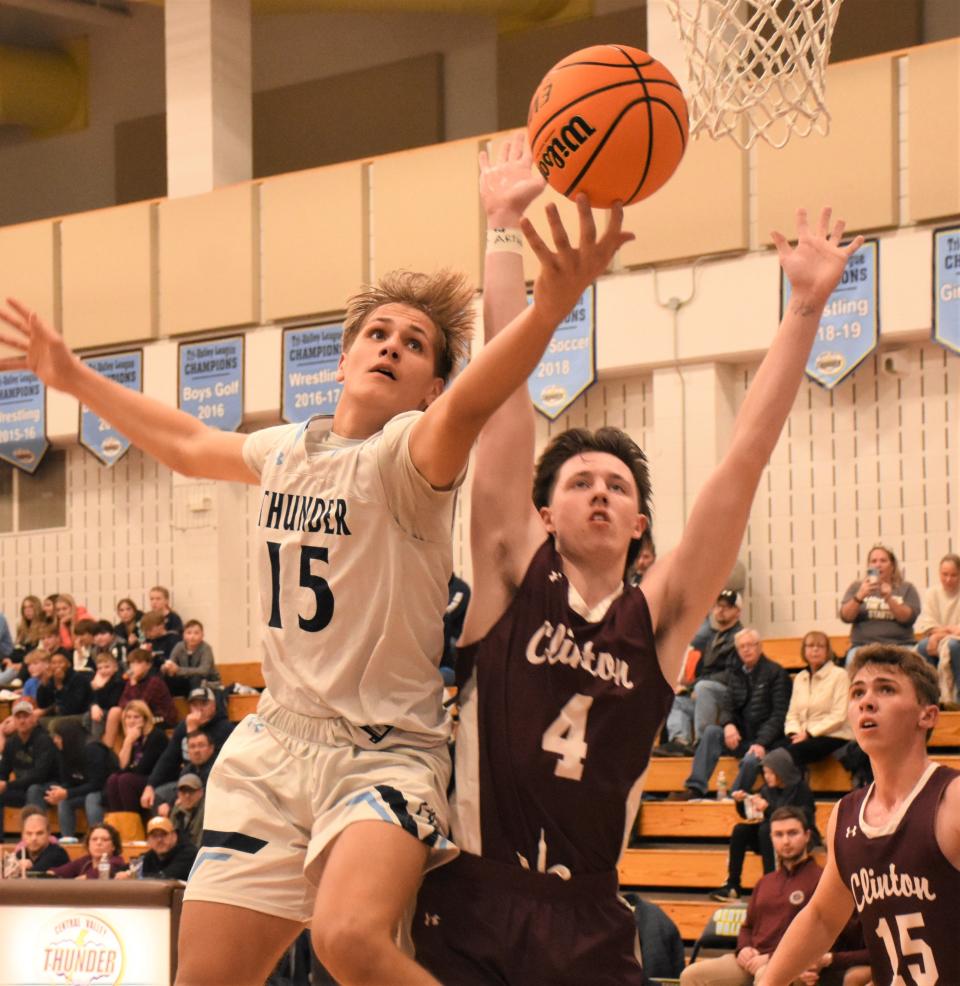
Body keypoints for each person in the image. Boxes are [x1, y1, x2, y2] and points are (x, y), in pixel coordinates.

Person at [0, 188, 624, 986]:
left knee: (349, 939)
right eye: (377, 332)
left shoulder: (412, 457)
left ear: (431, 386)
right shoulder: (287, 449)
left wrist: (547, 312)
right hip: (272, 750)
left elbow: (476, 400)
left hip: (385, 755)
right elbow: (190, 444)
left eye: (416, 343)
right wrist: (73, 376)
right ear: (341, 358)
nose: (391, 346)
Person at [411, 136, 865, 985]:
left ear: (639, 524)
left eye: (616, 486)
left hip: (589, 915)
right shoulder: (511, 570)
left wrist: (804, 307)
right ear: (543, 512)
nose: (598, 494)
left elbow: (742, 462)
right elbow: (503, 401)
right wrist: (501, 230)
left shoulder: (655, 617)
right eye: (578, 481)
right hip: (472, 894)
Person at [764, 645, 960, 986]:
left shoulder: (952, 798)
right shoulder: (846, 814)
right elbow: (823, 918)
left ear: (927, 715)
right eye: (858, 692)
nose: (867, 701)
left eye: (886, 689)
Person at [682, 807, 870, 986]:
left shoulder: (823, 880)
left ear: (807, 836)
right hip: (752, 960)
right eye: (779, 835)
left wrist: (772, 957)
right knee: (692, 975)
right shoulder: (765, 882)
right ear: (771, 838)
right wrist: (744, 949)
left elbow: (831, 934)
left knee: (767, 976)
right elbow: (748, 927)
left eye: (792, 833)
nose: (786, 841)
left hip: (791, 964)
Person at [671, 628, 791, 801]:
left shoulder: (776, 673)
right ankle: (695, 788)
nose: (746, 649)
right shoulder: (736, 674)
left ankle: (733, 798)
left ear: (760, 647)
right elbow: (728, 706)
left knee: (751, 760)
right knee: (712, 732)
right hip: (741, 738)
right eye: (742, 646)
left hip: (768, 742)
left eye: (750, 645)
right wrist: (728, 725)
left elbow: (779, 716)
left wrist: (761, 743)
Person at [711, 747, 817, 902]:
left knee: (766, 829)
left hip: (798, 838)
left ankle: (772, 884)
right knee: (741, 830)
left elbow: (801, 818)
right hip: (768, 838)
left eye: (769, 772)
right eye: (765, 772)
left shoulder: (801, 789)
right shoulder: (767, 790)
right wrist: (741, 803)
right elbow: (751, 815)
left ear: (780, 771)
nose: (766, 776)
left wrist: (768, 808)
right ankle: (732, 884)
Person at [657, 589, 745, 755]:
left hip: (729, 697)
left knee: (704, 687)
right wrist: (688, 688)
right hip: (707, 693)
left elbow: (734, 674)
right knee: (676, 698)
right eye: (718, 606)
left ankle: (702, 742)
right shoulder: (713, 637)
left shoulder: (740, 638)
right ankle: (680, 741)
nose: (720, 610)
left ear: (738, 612)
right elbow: (704, 673)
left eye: (727, 607)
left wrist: (697, 686)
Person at [839, 544, 920, 663]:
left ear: (892, 566)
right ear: (869, 566)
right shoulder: (857, 587)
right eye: (874, 561)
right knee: (852, 659)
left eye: (883, 561)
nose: (878, 565)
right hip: (863, 647)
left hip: (901, 645)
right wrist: (859, 596)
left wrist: (889, 599)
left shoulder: (906, 588)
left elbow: (908, 618)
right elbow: (845, 617)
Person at [784, 631, 852, 766]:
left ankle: (795, 787)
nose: (815, 650)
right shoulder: (800, 677)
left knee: (787, 756)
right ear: (804, 651)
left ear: (827, 651)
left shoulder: (840, 675)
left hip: (833, 735)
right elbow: (792, 714)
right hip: (803, 735)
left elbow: (839, 715)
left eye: (820, 646)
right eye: (810, 646)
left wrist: (809, 733)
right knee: (774, 753)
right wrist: (795, 733)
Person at [44, 718, 114, 839]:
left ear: (68, 736)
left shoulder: (93, 749)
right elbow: (69, 781)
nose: (55, 740)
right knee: (64, 801)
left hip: (105, 791)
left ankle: (98, 837)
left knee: (91, 799)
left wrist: (67, 792)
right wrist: (58, 793)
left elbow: (97, 783)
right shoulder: (64, 751)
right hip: (85, 790)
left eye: (58, 737)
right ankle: (67, 840)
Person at [0, 698, 58, 838]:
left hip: (49, 787)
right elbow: (3, 771)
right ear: (13, 720)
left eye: (25, 716)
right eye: (18, 717)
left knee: (34, 789)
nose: (22, 721)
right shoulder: (12, 742)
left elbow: (39, 775)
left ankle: (36, 838)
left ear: (33, 719)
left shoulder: (44, 740)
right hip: (23, 788)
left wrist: (7, 785)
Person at [103, 700, 169, 813]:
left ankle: (134, 821)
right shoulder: (133, 737)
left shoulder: (156, 736)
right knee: (113, 780)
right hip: (139, 778)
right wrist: (127, 742)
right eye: (128, 717)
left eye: (136, 717)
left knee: (125, 780)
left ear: (145, 719)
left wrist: (129, 740)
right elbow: (121, 767)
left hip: (156, 780)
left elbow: (142, 769)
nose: (131, 721)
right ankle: (119, 822)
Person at [914, 551, 960, 704]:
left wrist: (938, 635)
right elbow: (928, 625)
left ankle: (956, 700)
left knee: (953, 646)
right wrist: (942, 633)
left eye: (953, 575)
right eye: (944, 574)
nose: (948, 579)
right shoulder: (932, 593)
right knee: (923, 646)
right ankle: (932, 698)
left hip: (954, 641)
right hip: (941, 638)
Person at [142, 728, 218, 813]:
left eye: (201, 745)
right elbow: (179, 790)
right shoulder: (187, 769)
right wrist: (169, 805)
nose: (196, 750)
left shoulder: (217, 769)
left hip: (209, 807)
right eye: (192, 746)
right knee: (159, 794)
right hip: (188, 800)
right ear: (188, 751)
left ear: (211, 748)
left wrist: (178, 802)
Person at [116, 815, 197, 881]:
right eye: (154, 836)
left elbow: (168, 877)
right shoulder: (151, 855)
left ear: (174, 835)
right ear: (148, 840)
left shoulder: (188, 852)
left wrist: (134, 875)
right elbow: (131, 867)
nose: (159, 840)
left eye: (164, 834)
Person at [3, 805, 69, 876]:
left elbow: (35, 875)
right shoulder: (21, 853)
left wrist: (18, 868)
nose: (34, 838)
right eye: (29, 833)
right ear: (22, 835)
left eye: (39, 833)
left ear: (48, 833)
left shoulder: (57, 853)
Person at [49, 822, 128, 879]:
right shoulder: (86, 860)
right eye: (94, 839)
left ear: (113, 846)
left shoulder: (116, 861)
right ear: (88, 844)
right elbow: (59, 872)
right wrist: (46, 875)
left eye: (105, 839)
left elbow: (92, 876)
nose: (98, 843)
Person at [161, 619, 219, 696]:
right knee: (167, 679)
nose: (192, 636)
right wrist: (166, 668)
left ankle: (195, 703)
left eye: (196, 633)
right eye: (189, 633)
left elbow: (204, 671)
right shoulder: (179, 646)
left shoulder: (206, 648)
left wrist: (179, 670)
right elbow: (172, 663)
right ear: (183, 635)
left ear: (202, 635)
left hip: (206, 681)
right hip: (186, 680)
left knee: (195, 678)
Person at [35, 650, 92, 724]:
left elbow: (71, 708)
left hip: (79, 715)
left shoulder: (78, 679)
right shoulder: (52, 679)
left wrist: (59, 686)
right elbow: (42, 705)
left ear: (68, 664)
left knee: (54, 724)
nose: (57, 666)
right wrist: (44, 684)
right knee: (34, 722)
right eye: (53, 663)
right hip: (58, 715)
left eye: (60, 663)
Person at [87, 650, 125, 742]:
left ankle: (95, 744)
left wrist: (100, 688)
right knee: (87, 717)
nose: (103, 671)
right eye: (100, 668)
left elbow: (111, 703)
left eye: (107, 667)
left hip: (114, 711)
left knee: (98, 717)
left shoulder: (118, 681)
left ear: (115, 667)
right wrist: (94, 706)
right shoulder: (98, 680)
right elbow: (90, 699)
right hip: (102, 709)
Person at [165, 772, 205, 848]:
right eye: (183, 791)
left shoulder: (205, 811)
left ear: (201, 792)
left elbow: (199, 843)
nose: (187, 795)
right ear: (178, 793)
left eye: (191, 791)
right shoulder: (177, 809)